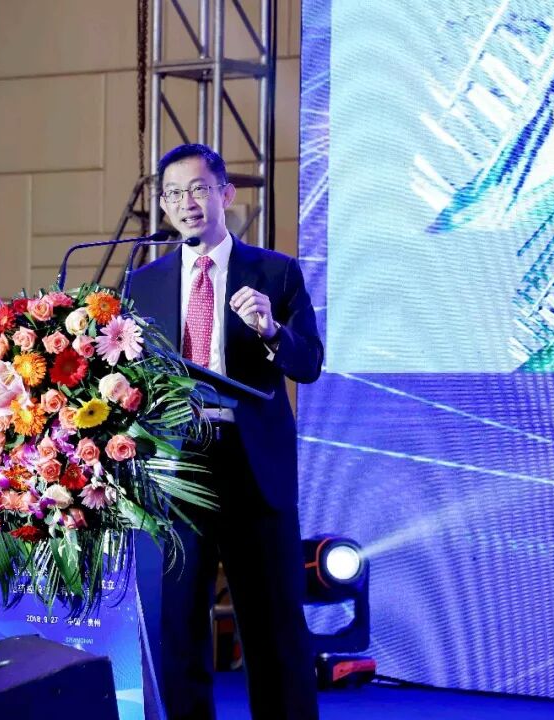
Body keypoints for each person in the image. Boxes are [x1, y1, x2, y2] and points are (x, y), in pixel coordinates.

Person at [127, 143, 322, 720]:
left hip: (250, 464)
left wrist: (271, 330)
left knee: (273, 628)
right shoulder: (143, 283)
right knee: (177, 626)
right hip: (176, 468)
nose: (187, 203)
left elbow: (309, 363)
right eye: (174, 194)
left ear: (225, 194)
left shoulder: (275, 272)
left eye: (198, 189)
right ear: (164, 207)